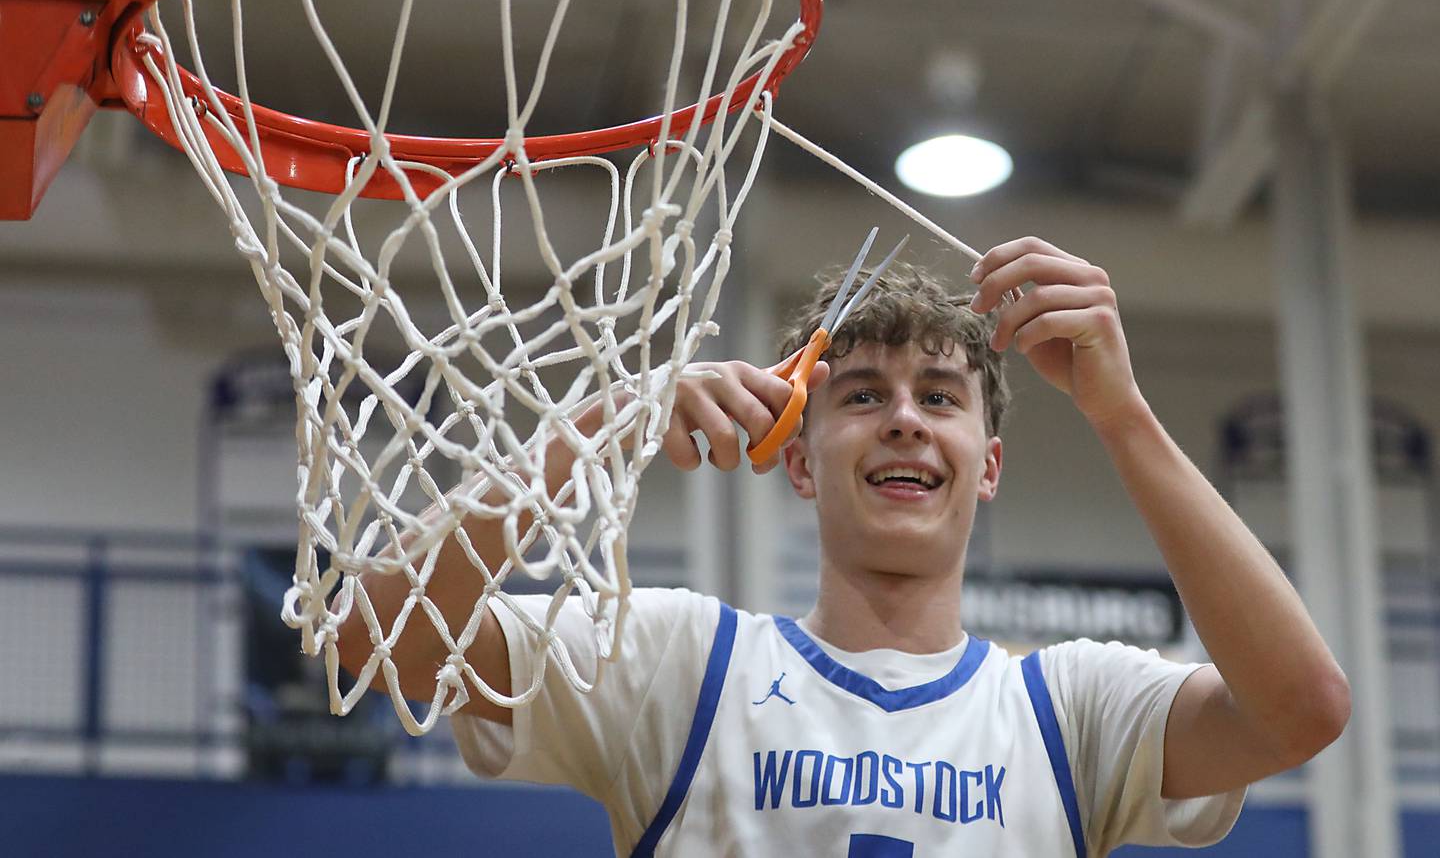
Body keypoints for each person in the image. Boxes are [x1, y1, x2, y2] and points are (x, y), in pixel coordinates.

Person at [337, 236, 1349, 857]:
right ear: (800, 460)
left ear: (987, 465)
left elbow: (1303, 708)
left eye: (939, 397)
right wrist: (597, 427)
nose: (905, 418)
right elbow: (375, 635)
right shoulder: (683, 664)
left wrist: (1122, 412)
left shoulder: (1069, 706)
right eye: (863, 395)